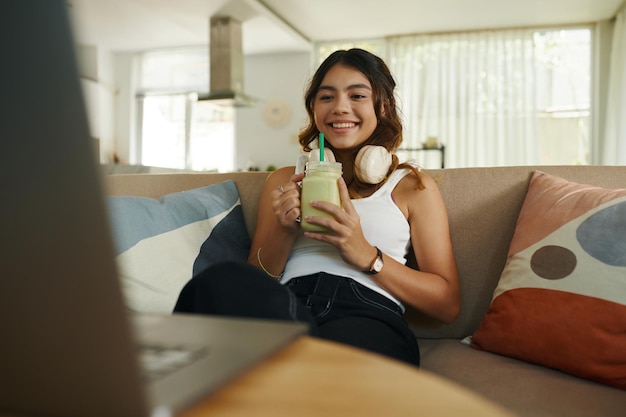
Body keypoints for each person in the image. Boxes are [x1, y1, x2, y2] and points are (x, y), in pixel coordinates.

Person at [174, 48, 460, 366]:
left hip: (365, 312)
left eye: (357, 95)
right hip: (287, 304)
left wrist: (367, 255)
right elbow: (257, 279)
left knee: (328, 366)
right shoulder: (286, 179)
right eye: (326, 97)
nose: (340, 108)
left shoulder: (411, 187)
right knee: (219, 280)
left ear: (383, 106)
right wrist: (283, 232)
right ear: (313, 107)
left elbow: (446, 305)